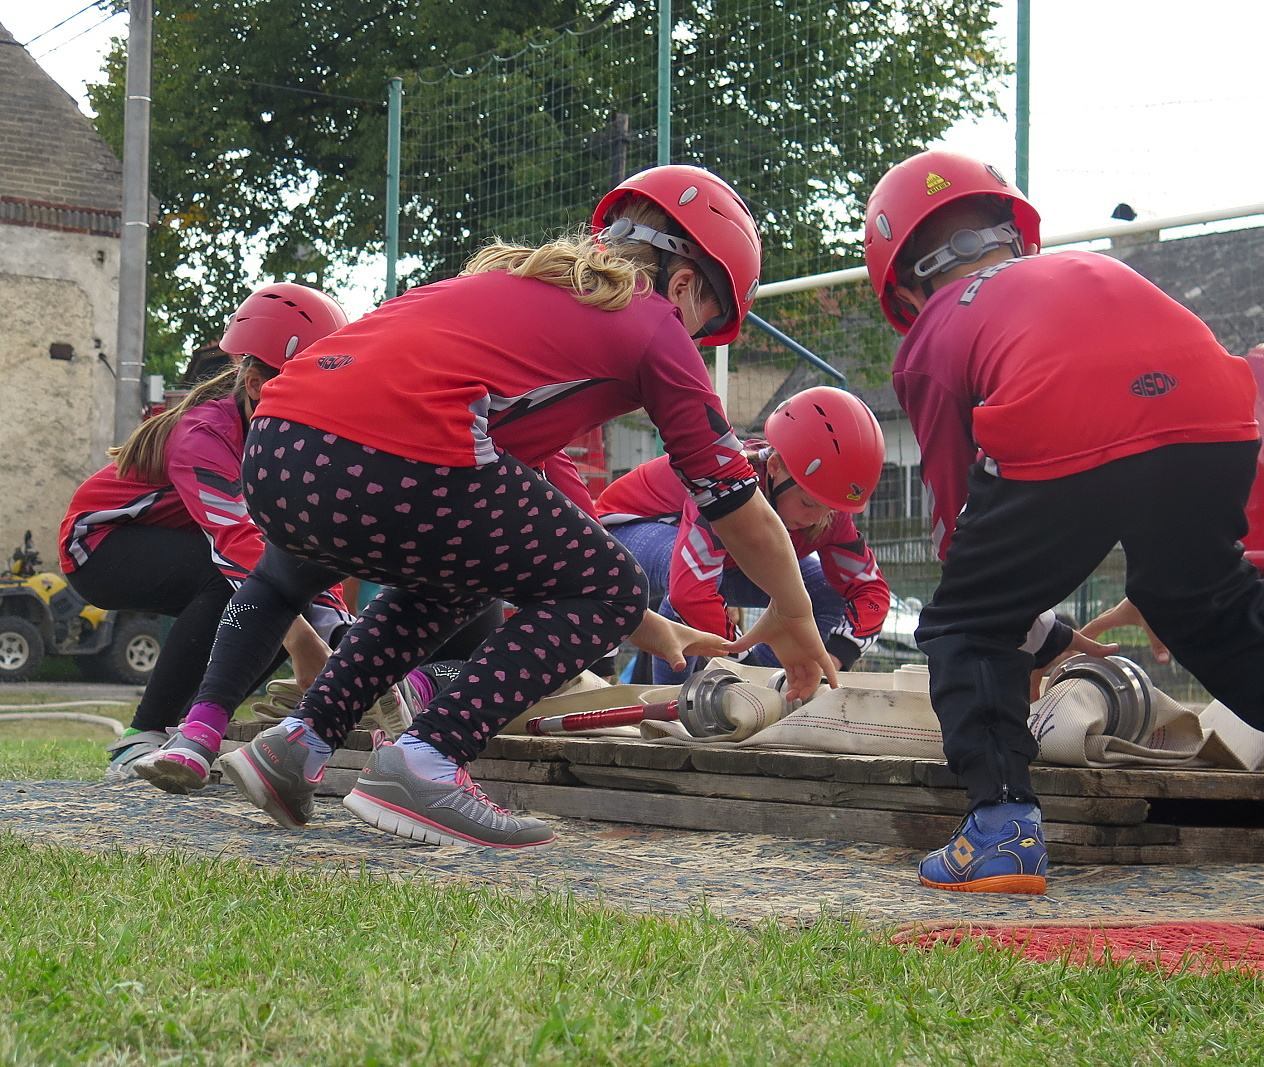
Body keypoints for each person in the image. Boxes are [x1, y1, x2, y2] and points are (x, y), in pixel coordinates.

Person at [208, 165, 836, 848]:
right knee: (615, 581)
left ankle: (298, 741)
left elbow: (546, 528)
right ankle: (426, 759)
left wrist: (647, 624)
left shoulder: (515, 298)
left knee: (463, 573)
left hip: (276, 452)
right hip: (388, 458)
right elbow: (732, 498)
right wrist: (794, 611)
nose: (694, 350)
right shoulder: (651, 321)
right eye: (704, 329)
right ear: (683, 286)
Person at [862, 150, 1264, 894]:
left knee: (966, 625)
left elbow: (959, 524)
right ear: (1016, 233)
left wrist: (1010, 623)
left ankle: (1000, 828)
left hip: (1063, 412)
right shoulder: (1085, 269)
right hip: (1218, 412)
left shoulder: (934, 330)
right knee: (1207, 598)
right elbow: (1137, 408)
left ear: (903, 288)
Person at [58, 284, 352, 779]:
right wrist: (305, 643)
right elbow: (234, 543)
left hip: (194, 544)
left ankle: (191, 731)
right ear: (257, 384)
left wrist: (342, 638)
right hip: (99, 544)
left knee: (280, 596)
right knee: (244, 585)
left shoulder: (291, 446)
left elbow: (305, 555)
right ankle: (144, 734)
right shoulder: (205, 433)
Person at [597, 385, 889, 682]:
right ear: (774, 467)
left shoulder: (826, 513)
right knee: (688, 583)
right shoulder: (725, 479)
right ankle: (671, 702)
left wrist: (833, 658)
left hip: (723, 563)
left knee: (822, 592)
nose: (817, 518)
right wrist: (744, 663)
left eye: (831, 509)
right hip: (622, 535)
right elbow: (690, 594)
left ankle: (778, 684)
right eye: (808, 503)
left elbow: (871, 592)